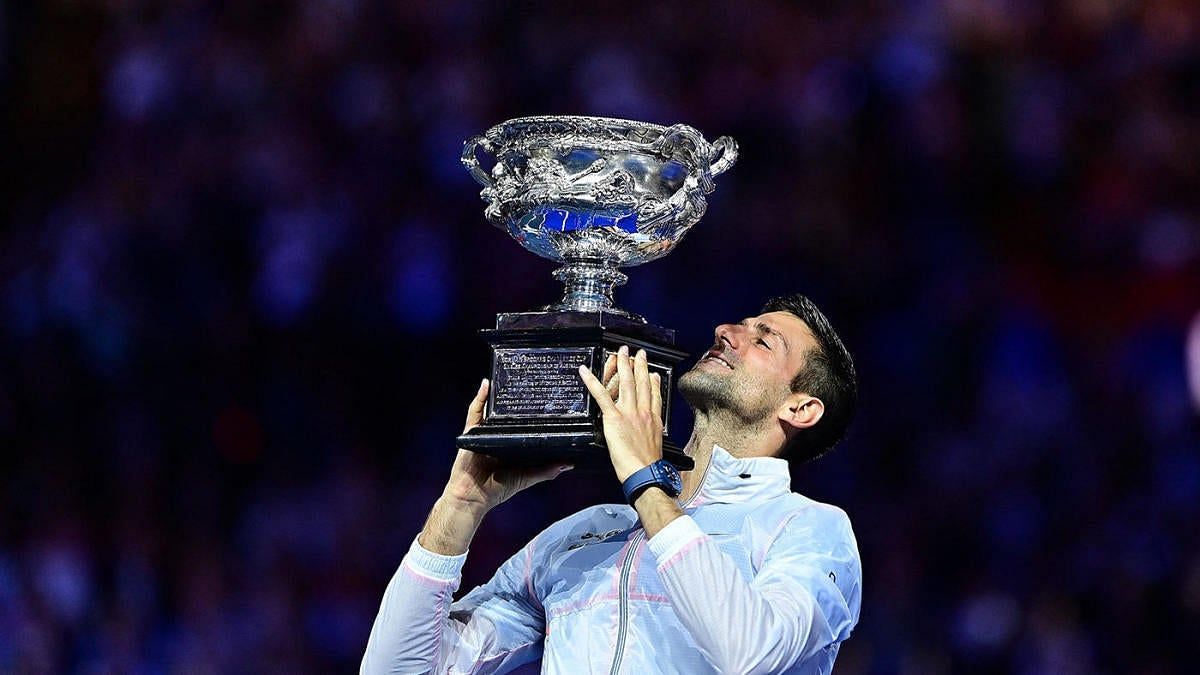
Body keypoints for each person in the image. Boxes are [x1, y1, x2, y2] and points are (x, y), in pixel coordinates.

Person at [361, 294, 862, 674]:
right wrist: (459, 506)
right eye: (742, 325)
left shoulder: (810, 530)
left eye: (762, 339)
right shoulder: (588, 534)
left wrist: (646, 482)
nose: (726, 331)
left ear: (800, 407)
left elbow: (750, 650)